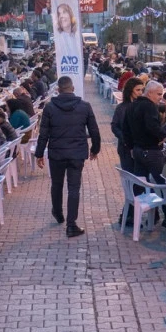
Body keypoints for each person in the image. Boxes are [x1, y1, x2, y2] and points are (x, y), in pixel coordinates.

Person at [35, 76, 102, 237]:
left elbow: (43, 134)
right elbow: (94, 130)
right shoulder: (85, 106)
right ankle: (71, 225)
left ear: (58, 90)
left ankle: (58, 213)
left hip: (57, 153)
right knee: (74, 188)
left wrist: (39, 153)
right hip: (77, 153)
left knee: (56, 185)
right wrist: (95, 149)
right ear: (72, 89)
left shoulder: (50, 108)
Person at [124, 80, 166, 183]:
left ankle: (138, 198)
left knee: (140, 182)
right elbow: (152, 125)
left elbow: (126, 129)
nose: (161, 97)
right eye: (159, 94)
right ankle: (165, 199)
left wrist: (131, 147)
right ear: (150, 93)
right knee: (163, 182)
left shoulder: (132, 105)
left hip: (137, 150)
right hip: (150, 151)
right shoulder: (150, 106)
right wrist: (163, 136)